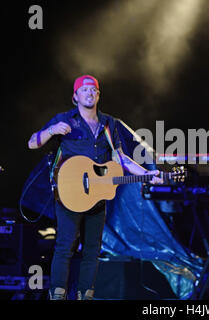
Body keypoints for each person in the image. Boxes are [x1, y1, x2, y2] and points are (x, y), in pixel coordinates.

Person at [28, 75, 162, 300]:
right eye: (85, 90)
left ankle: (85, 295)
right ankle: (58, 295)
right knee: (65, 247)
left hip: (97, 195)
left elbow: (121, 159)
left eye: (94, 90)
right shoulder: (64, 119)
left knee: (92, 249)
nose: (90, 93)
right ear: (75, 96)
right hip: (69, 194)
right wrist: (51, 131)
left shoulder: (109, 123)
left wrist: (147, 174)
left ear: (98, 95)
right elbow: (32, 143)